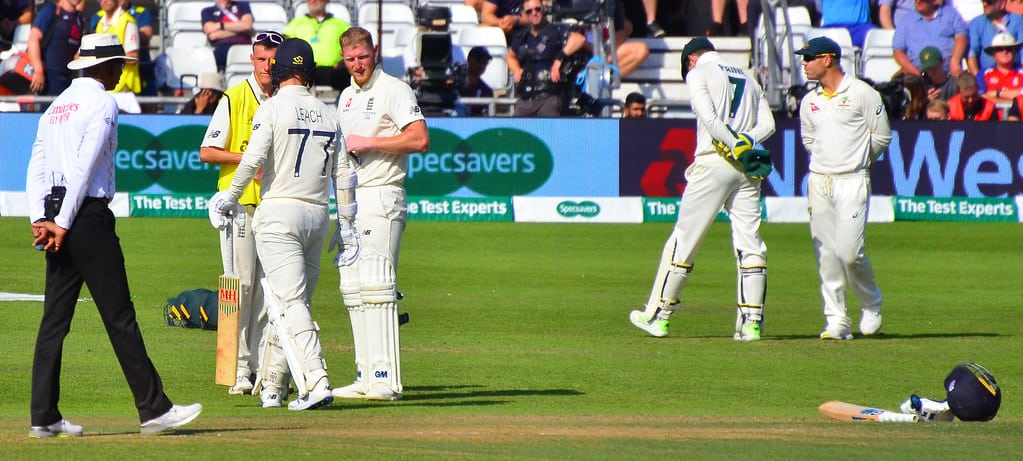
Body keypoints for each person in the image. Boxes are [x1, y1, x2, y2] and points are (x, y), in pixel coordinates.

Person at [25, 33, 202, 438]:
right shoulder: (102, 101)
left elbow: (37, 164)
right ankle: (154, 409)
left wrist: (43, 218)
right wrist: (65, 222)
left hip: (57, 214)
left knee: (54, 320)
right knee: (120, 317)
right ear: (101, 66)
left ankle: (43, 416)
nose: (122, 70)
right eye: (118, 63)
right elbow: (85, 168)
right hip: (84, 217)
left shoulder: (54, 107)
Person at [212, 37, 350, 411]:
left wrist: (229, 196)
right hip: (318, 215)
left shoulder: (272, 108)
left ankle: (317, 379)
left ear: (278, 70)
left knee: (287, 301)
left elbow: (252, 158)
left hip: (278, 214)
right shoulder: (329, 113)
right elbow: (343, 174)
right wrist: (347, 223)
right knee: (290, 301)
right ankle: (274, 384)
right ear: (308, 74)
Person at [629, 37, 775, 341]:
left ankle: (660, 316)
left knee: (684, 241)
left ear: (691, 59)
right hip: (746, 168)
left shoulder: (699, 73)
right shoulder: (748, 75)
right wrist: (747, 142)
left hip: (713, 163)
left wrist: (734, 144)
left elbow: (709, 119)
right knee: (750, 244)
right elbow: (769, 124)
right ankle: (752, 323)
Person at [332, 26, 429, 401]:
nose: (357, 65)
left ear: (374, 52)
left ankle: (387, 379)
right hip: (353, 201)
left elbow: (420, 139)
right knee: (354, 289)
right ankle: (366, 375)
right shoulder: (346, 96)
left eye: (363, 57)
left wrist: (369, 142)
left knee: (378, 285)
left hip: (384, 195)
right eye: (350, 59)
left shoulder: (394, 89)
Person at [199, 30, 282, 397]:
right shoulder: (235, 98)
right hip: (241, 205)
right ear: (252, 59)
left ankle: (265, 367)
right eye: (261, 59)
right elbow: (208, 150)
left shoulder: (285, 99)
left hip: (277, 206)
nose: (266, 67)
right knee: (241, 287)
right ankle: (238, 370)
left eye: (272, 61)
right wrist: (250, 162)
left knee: (270, 292)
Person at [795, 36, 892, 340]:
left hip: (852, 180)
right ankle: (836, 319)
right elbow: (809, 139)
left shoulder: (863, 93)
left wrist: (858, 160)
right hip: (819, 181)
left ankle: (872, 304)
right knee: (826, 254)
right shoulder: (809, 101)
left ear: (828, 59)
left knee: (850, 252)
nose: (804, 63)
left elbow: (882, 137)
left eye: (809, 58)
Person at [507, 0, 587, 117]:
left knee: (549, 129)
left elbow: (579, 39)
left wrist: (558, 60)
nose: (534, 13)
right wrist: (516, 70)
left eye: (537, 9)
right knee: (515, 132)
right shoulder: (521, 37)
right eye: (529, 11)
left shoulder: (556, 31)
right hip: (525, 98)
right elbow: (510, 56)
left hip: (549, 97)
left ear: (543, 9)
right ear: (524, 14)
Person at [283, 0, 350, 91]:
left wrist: (343, 62)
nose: (313, 1)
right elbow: (285, 46)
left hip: (334, 71)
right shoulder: (296, 23)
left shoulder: (341, 24)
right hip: (304, 69)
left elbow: (351, 46)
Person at [893, 0, 968, 77]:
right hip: (918, 75)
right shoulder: (906, 21)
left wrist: (955, 62)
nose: (918, 1)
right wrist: (918, 74)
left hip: (949, 72)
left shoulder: (951, 14)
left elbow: (961, 37)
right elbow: (898, 52)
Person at [26, 0, 85, 96]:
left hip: (68, 79)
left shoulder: (79, 20)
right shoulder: (52, 11)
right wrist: (38, 70)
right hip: (48, 77)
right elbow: (33, 39)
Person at [89, 0, 141, 94]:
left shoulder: (128, 21)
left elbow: (133, 56)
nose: (104, 1)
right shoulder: (100, 23)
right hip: (105, 85)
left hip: (123, 88)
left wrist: (107, 58)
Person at [967, 0, 1023, 76]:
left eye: (989, 1)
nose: (985, 4)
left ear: (1002, 3)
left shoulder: (1018, 21)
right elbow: (972, 54)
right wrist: (979, 81)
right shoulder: (976, 23)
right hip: (986, 77)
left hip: (1015, 75)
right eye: (983, 1)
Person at [202, 0, 254, 70]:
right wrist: (241, 29)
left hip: (245, 47)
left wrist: (220, 26)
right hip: (223, 49)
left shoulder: (243, 5)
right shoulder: (208, 11)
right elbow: (212, 35)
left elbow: (247, 25)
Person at [118, 0, 156, 96]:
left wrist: (127, 31)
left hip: (140, 69)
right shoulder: (100, 16)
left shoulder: (141, 12)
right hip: (114, 73)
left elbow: (145, 37)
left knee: (147, 103)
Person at [978, 32, 1023, 103]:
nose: (1005, 52)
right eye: (999, 49)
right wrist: (1015, 98)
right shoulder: (983, 73)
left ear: (1014, 52)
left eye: (1009, 48)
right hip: (991, 114)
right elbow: (980, 97)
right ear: (993, 54)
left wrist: (997, 93)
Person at [459, 45, 495, 116]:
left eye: (485, 62)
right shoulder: (456, 84)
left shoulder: (486, 91)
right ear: (469, 59)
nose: (482, 65)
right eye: (479, 60)